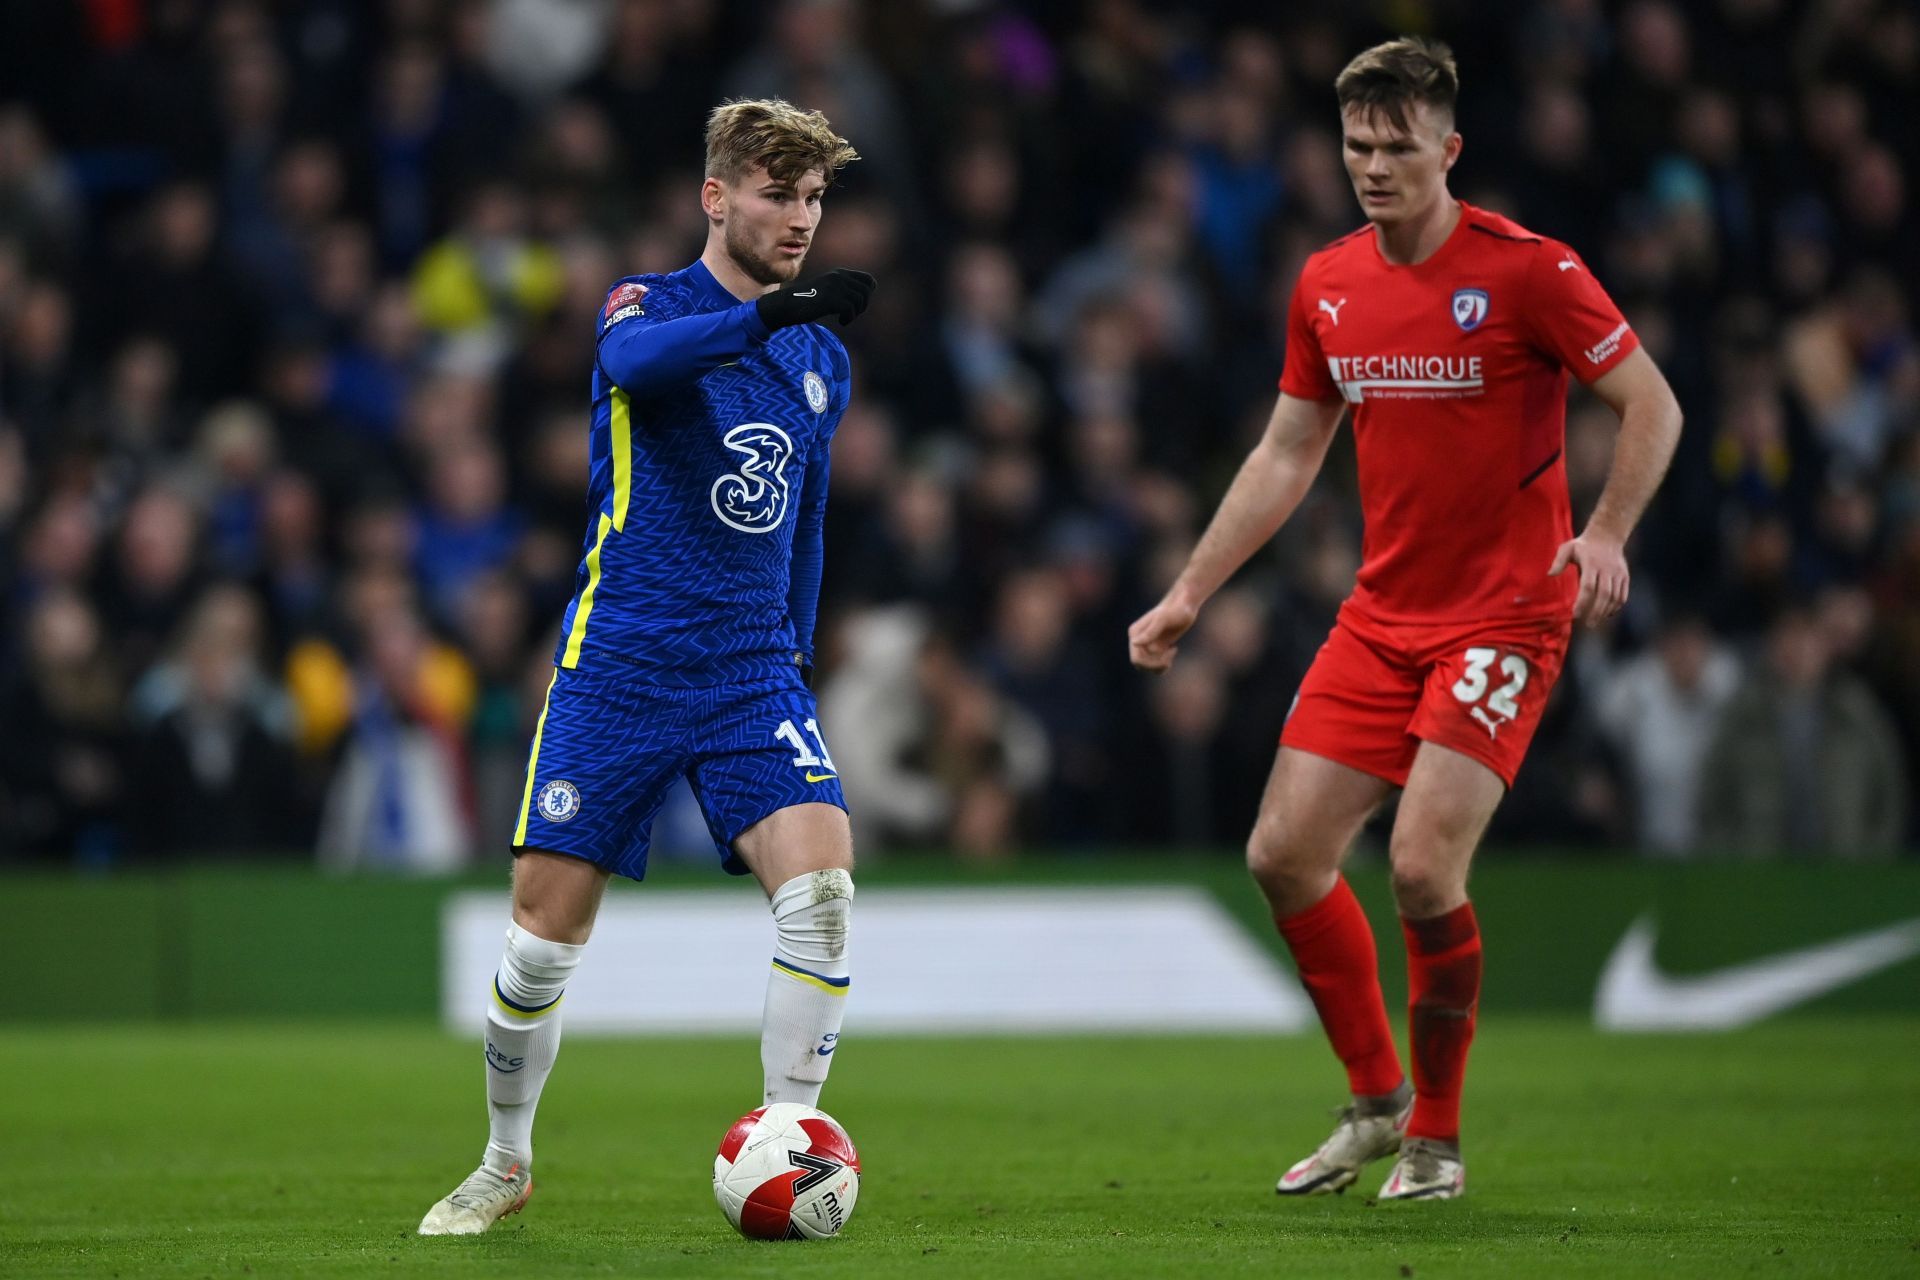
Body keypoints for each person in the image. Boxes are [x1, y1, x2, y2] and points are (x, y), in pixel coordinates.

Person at [1128, 37, 1683, 1200]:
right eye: (1356, 145)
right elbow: (1287, 452)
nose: (1372, 166)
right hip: (1383, 614)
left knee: (1424, 869)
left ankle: (1437, 1134)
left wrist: (1609, 533)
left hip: (1506, 619)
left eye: (1396, 146)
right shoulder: (1328, 281)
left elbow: (1652, 403)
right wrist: (1190, 589)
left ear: (1450, 148)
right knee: (1281, 854)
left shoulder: (1530, 270)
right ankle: (1376, 1102)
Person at [419, 98, 874, 1235]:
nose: (800, 216)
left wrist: (797, 653)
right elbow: (634, 359)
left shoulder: (821, 353)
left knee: (820, 894)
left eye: (815, 197)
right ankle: (505, 1156)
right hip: (618, 662)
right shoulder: (647, 304)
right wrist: (765, 318)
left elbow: (806, 522)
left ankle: (790, 1139)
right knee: (538, 942)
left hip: (750, 675)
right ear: (716, 198)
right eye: (778, 192)